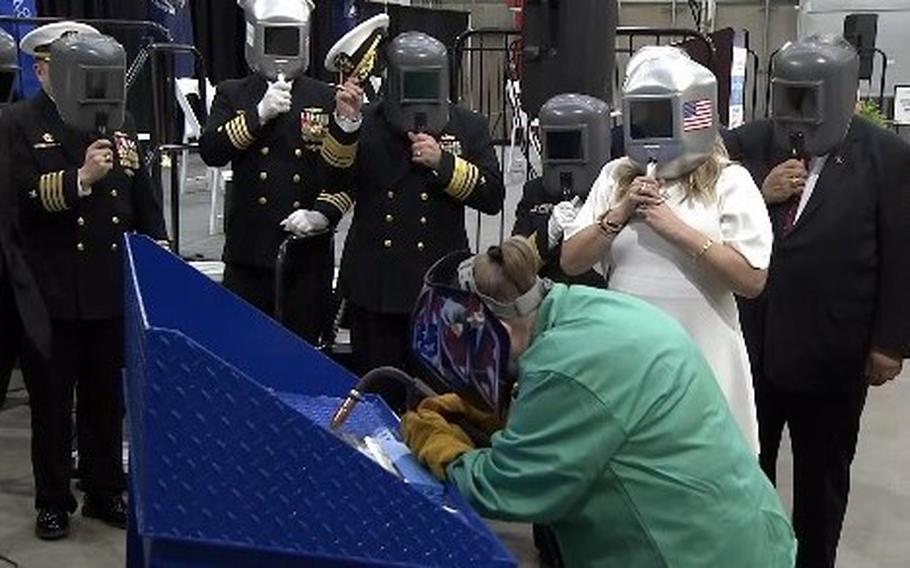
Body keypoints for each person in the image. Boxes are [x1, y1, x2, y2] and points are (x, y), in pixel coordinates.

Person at [401, 236, 796, 568]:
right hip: (747, 530)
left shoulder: (564, 368)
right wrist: (507, 419)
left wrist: (442, 447)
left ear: (499, 330)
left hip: (684, 553)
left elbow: (504, 486)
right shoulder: (587, 307)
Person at [724, 35, 910, 568]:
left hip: (833, 353)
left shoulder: (888, 158)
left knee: (821, 485)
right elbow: (704, 182)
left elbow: (901, 255)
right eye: (790, 96)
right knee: (745, 473)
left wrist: (889, 343)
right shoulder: (752, 145)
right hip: (754, 348)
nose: (797, 113)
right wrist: (758, 191)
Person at [561, 47, 772, 453]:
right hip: (628, 357)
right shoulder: (614, 175)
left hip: (703, 355)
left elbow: (751, 280)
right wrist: (618, 214)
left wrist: (678, 231)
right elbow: (572, 261)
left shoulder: (731, 182)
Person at [6, 22, 168, 540]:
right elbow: (18, 201)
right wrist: (79, 180)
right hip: (50, 290)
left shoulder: (121, 122)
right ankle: (54, 500)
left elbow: (141, 196)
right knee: (53, 406)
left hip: (106, 287)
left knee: (105, 402)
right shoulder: (18, 122)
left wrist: (159, 247)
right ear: (42, 69)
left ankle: (104, 490)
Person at [315, 31, 504, 410]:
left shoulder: (468, 126)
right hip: (376, 282)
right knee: (376, 391)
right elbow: (332, 181)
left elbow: (492, 197)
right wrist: (344, 126)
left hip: (437, 283)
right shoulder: (366, 122)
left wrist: (444, 163)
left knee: (437, 396)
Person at [200, 0, 363, 345]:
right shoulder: (233, 94)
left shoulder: (323, 96)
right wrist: (258, 115)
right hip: (250, 251)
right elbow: (212, 151)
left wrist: (322, 215)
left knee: (304, 353)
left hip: (306, 255)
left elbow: (347, 176)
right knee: (245, 353)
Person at [512, 93, 610, 288]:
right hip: (549, 296)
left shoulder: (615, 193)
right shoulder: (535, 192)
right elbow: (513, 265)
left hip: (600, 298)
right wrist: (546, 234)